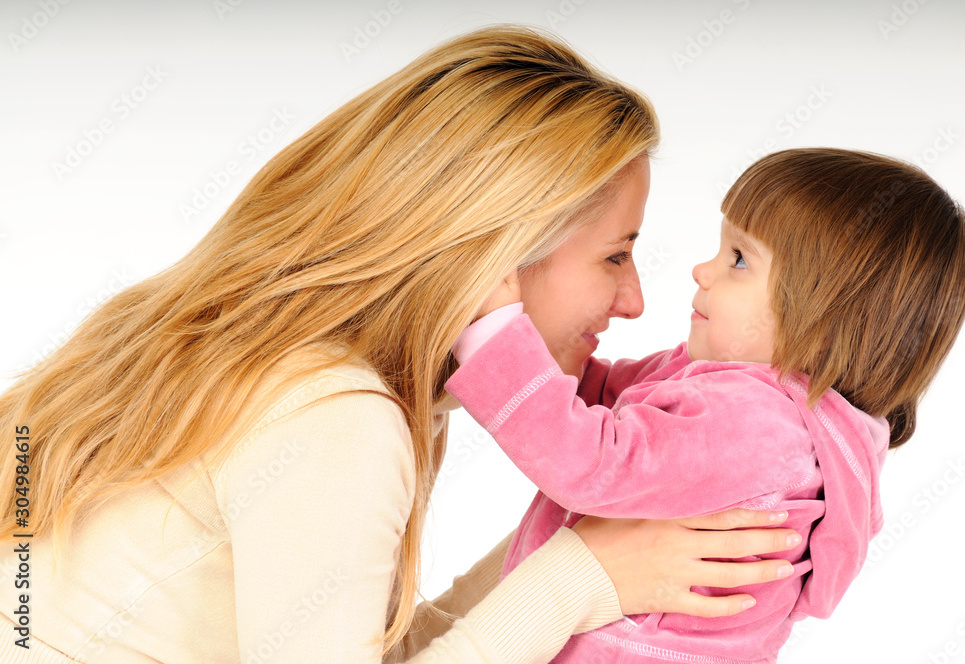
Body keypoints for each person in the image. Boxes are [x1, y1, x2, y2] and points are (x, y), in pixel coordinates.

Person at [0, 25, 801, 664]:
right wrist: (577, 579)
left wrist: (584, 550)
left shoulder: (315, 374)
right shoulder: (334, 415)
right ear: (499, 252)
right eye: (615, 255)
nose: (635, 302)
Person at [446, 147, 965, 663]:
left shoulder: (759, 426)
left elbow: (588, 461)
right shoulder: (734, 390)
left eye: (738, 260)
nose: (702, 269)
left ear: (821, 318)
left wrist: (495, 336)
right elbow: (600, 395)